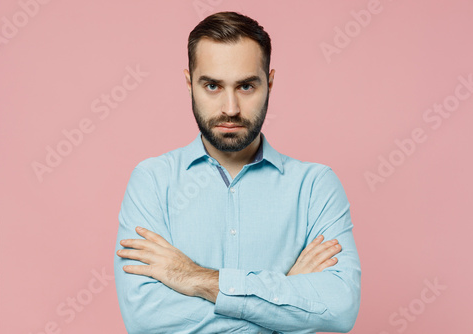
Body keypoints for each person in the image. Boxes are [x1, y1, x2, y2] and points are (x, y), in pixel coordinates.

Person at [114, 11, 361, 334]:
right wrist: (286, 299)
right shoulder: (152, 181)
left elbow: (338, 309)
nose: (230, 108)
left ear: (269, 83)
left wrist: (193, 277)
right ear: (190, 83)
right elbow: (145, 318)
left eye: (246, 86)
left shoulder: (315, 186)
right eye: (213, 85)